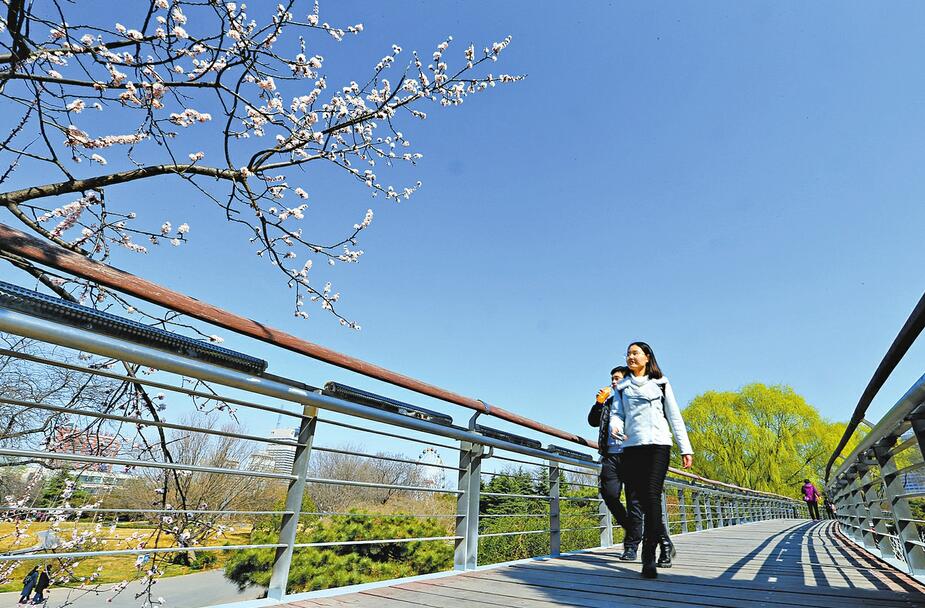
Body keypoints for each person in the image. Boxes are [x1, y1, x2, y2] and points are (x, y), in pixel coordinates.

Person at [612, 342, 693, 579]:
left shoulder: (661, 383)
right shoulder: (622, 387)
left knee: (652, 496)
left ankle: (648, 556)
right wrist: (616, 426)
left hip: (659, 445)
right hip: (632, 447)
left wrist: (685, 449)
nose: (630, 357)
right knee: (644, 501)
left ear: (647, 357)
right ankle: (666, 544)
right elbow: (617, 414)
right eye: (628, 353)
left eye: (635, 353)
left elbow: (675, 417)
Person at [588, 365, 644, 561]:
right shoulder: (608, 403)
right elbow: (593, 422)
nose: (613, 382)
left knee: (634, 503)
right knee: (609, 495)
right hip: (611, 456)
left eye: (617, 378)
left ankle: (631, 547)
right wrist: (598, 403)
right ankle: (632, 529)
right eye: (612, 378)